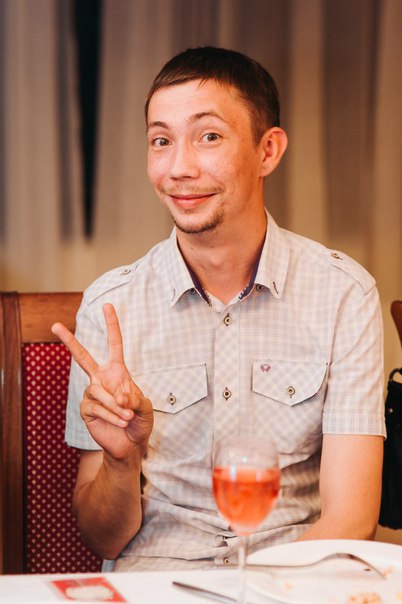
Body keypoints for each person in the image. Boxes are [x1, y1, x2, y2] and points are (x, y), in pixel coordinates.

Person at [52, 46, 385, 572]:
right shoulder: (110, 305)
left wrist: (254, 591)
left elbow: (351, 518)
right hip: (159, 580)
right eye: (161, 141)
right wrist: (120, 460)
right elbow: (103, 540)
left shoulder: (344, 294)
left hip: (294, 579)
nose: (179, 168)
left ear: (267, 151)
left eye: (208, 136)